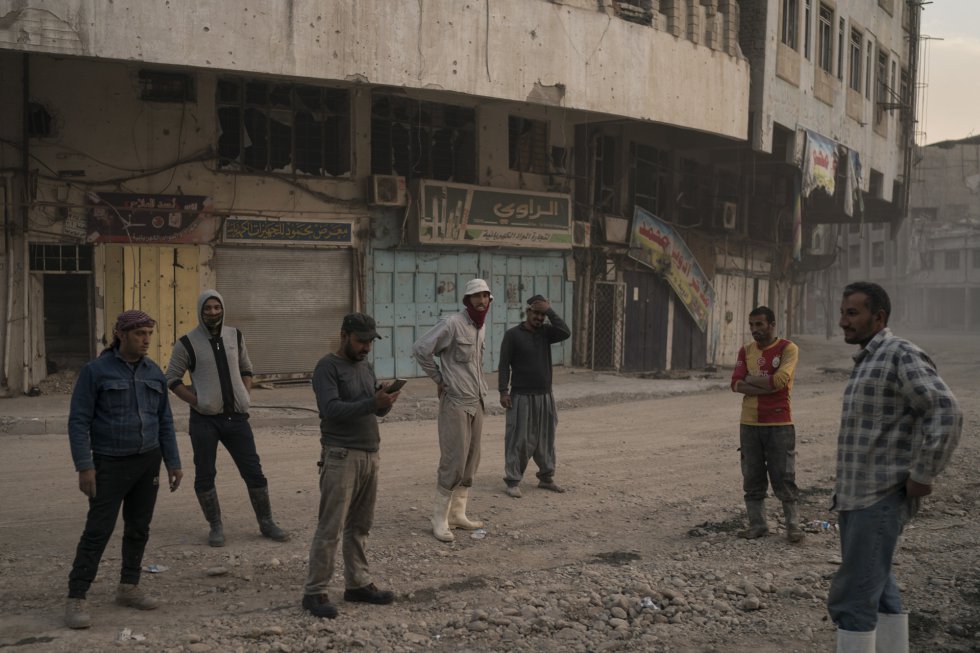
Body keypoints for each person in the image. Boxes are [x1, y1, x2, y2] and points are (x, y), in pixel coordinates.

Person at [829, 282, 961, 653]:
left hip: (880, 497)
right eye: (842, 312)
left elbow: (946, 411)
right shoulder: (867, 359)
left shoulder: (898, 353)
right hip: (854, 497)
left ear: (879, 316)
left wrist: (924, 474)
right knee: (879, 587)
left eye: (852, 313)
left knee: (853, 598)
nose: (843, 321)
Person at [65, 310, 183, 629]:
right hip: (109, 462)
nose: (146, 340)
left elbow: (165, 421)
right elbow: (78, 421)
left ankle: (128, 587)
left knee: (138, 527)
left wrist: (173, 461)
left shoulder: (154, 373)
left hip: (148, 461)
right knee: (98, 530)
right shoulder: (96, 372)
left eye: (149, 334)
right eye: (139, 334)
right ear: (121, 335)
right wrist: (84, 465)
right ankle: (77, 595)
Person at [166, 290, 287, 547]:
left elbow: (246, 367)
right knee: (205, 473)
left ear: (223, 309)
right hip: (204, 421)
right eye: (207, 308)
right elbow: (172, 379)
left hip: (237, 418)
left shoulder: (235, 336)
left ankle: (266, 522)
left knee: (253, 471)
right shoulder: (186, 342)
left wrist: (245, 393)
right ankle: (215, 526)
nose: (212, 312)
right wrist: (198, 401)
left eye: (216, 308)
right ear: (200, 310)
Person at [302, 313, 399, 619]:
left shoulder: (365, 367)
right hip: (341, 455)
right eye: (361, 341)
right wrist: (373, 403)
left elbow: (370, 410)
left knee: (360, 526)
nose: (366, 347)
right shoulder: (326, 368)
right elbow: (331, 409)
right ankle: (315, 591)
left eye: (370, 341)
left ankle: (357, 584)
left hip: (370, 453)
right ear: (344, 335)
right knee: (330, 527)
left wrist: (382, 402)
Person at [412, 278, 492, 542]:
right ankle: (439, 518)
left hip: (477, 400)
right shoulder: (452, 324)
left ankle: (458, 514)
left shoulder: (480, 326)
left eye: (485, 296)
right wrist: (439, 379)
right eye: (476, 297)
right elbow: (421, 349)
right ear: (467, 301)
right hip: (456, 401)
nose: (482, 301)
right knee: (453, 461)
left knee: (471, 461)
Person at [730, 306, 803, 543]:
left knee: (784, 475)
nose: (754, 330)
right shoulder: (746, 350)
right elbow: (735, 384)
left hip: (780, 421)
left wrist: (750, 379)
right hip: (749, 422)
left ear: (772, 325)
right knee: (751, 475)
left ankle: (793, 526)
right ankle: (758, 525)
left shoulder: (788, 349)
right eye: (751, 325)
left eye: (759, 325)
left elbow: (781, 381)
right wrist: (766, 384)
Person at [498, 294, 571, 498]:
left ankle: (546, 478)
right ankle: (512, 480)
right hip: (521, 395)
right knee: (518, 440)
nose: (539, 318)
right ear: (528, 311)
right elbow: (504, 365)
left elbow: (566, 331)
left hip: (545, 396)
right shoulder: (512, 335)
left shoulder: (547, 333)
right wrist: (503, 391)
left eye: (542, 314)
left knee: (546, 439)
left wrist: (550, 311)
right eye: (536, 313)